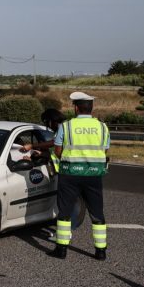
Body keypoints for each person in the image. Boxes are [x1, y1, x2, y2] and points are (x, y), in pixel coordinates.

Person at [49, 92, 110, 260]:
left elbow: (57, 150)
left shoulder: (66, 126)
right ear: (92, 108)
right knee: (97, 212)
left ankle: (61, 249)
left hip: (70, 174)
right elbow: (104, 150)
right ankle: (100, 251)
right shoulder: (102, 127)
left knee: (65, 212)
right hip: (93, 175)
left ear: (75, 108)